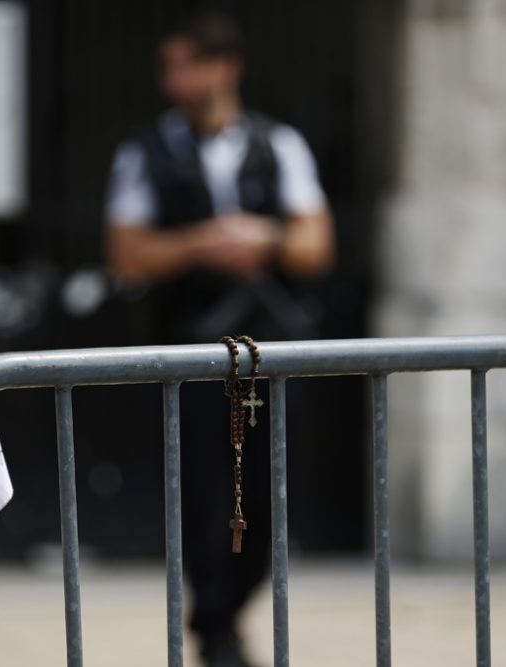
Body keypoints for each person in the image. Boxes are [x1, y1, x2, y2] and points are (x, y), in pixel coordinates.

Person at [104, 14, 334, 667]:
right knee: (206, 492)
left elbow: (316, 244)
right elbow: (127, 252)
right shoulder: (144, 150)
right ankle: (216, 627)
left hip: (270, 350)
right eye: (168, 67)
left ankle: (228, 614)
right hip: (192, 350)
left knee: (266, 493)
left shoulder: (276, 144)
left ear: (224, 66)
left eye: (186, 64)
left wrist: (264, 237)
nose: (174, 81)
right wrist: (202, 243)